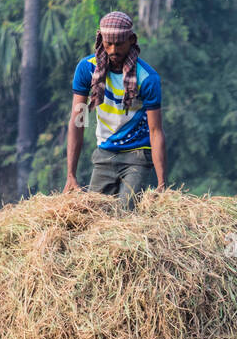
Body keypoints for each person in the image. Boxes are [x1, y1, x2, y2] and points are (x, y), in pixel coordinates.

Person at [64, 11, 166, 203]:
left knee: (126, 211)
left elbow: (155, 131)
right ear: (100, 40)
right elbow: (79, 121)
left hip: (137, 155)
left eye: (119, 44)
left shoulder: (147, 78)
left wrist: (162, 185)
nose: (112, 50)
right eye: (108, 44)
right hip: (105, 154)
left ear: (131, 40)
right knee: (95, 213)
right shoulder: (87, 70)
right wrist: (71, 174)